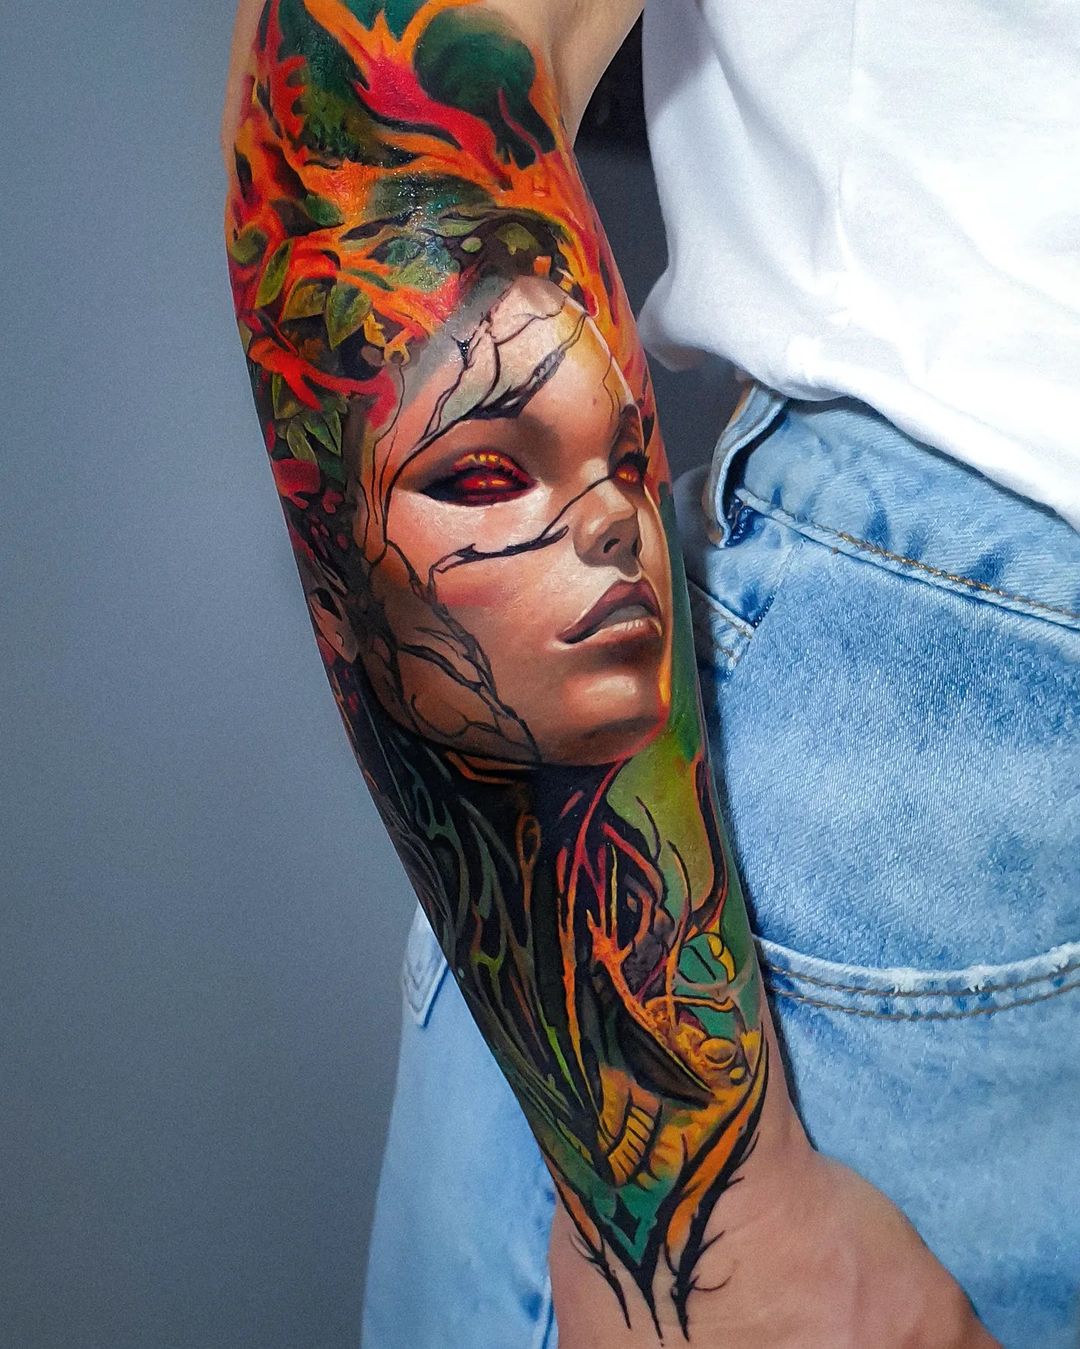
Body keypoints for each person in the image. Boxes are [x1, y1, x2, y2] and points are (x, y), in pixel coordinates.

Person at [221, 1, 1079, 1346]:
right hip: (935, 788)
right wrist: (705, 1237)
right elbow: (368, 109)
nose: (608, 521)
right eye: (487, 475)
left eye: (614, 467)